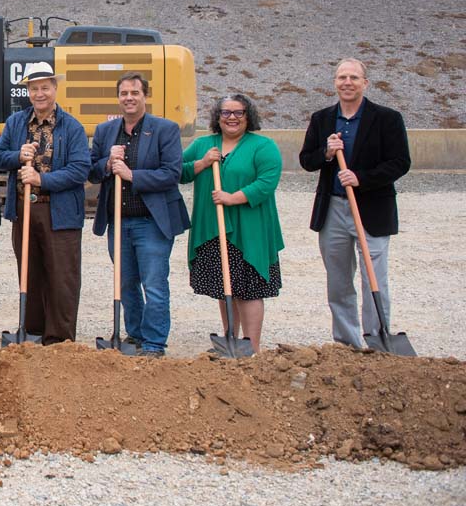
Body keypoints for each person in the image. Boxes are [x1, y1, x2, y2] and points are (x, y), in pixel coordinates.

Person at [299, 58, 411, 349]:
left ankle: (377, 337)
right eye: (341, 77)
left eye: (353, 77)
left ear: (365, 83)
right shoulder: (322, 118)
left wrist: (361, 178)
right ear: (335, 83)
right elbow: (306, 160)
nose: (347, 82)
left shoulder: (387, 118)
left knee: (374, 277)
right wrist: (326, 153)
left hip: (371, 209)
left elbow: (400, 162)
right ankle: (347, 343)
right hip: (333, 209)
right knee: (338, 281)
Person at [89, 72, 190, 357]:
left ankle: (154, 343)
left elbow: (172, 173)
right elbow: (91, 170)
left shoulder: (165, 129)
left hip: (152, 222)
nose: (129, 98)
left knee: (154, 284)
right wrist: (109, 163)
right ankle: (134, 336)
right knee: (125, 283)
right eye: (124, 93)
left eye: (135, 92)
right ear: (118, 98)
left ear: (145, 96)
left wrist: (131, 174)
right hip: (118, 223)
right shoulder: (105, 131)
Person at [0, 62, 90, 345]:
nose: (40, 93)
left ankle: (59, 337)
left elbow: (80, 170)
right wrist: (16, 155)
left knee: (62, 276)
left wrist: (40, 179)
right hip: (24, 211)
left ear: (55, 89)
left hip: (59, 212)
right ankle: (33, 330)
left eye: (45, 87)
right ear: (28, 91)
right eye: (34, 88)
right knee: (30, 271)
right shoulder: (16, 123)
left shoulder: (71, 127)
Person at [181, 93, 284, 353]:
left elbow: (267, 182)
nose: (232, 118)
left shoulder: (263, 146)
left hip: (250, 229)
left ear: (249, 116)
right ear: (218, 117)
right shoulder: (204, 144)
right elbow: (178, 171)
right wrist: (202, 163)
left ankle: (252, 347)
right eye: (226, 113)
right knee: (225, 286)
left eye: (238, 112)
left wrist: (232, 198)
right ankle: (230, 342)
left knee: (249, 289)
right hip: (214, 227)